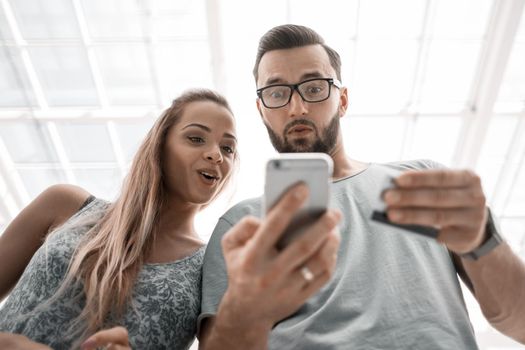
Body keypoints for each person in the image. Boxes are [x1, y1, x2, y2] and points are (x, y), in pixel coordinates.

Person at [197, 24, 525, 349]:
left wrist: (483, 239)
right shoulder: (241, 225)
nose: (297, 108)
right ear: (262, 111)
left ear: (342, 100)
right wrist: (245, 312)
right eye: (277, 93)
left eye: (313, 88)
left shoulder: (422, 182)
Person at [0, 89, 239, 349]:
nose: (216, 154)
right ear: (160, 144)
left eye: (228, 148)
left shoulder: (211, 270)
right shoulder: (64, 205)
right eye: (196, 138)